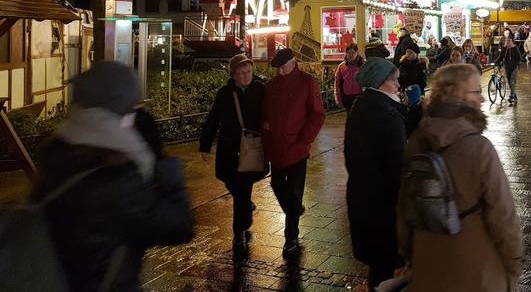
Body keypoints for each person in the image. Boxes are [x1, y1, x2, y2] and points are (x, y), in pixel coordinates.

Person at [32, 62, 194, 292]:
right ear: (120, 110)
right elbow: (178, 226)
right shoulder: (117, 181)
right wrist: (162, 160)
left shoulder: (57, 153)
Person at [397, 64, 524, 291]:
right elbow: (503, 215)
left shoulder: (417, 139)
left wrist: (409, 253)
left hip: (427, 260)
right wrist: (513, 263)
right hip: (476, 268)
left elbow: (404, 206)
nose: (482, 99)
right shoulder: (479, 148)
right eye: (476, 91)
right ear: (457, 95)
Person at [344, 57, 407, 289]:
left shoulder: (361, 106)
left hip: (363, 200)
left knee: (378, 266)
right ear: (380, 83)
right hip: (383, 207)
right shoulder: (387, 115)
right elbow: (397, 166)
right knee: (384, 267)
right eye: (394, 81)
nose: (398, 86)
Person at [200, 54, 267, 259]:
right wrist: (205, 145)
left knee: (242, 189)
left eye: (248, 72)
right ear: (233, 75)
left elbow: (271, 113)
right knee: (232, 184)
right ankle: (246, 208)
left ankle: (238, 232)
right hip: (229, 150)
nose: (246, 76)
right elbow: (213, 119)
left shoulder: (261, 90)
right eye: (241, 73)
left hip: (251, 149)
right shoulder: (225, 94)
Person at [263, 48, 325, 256]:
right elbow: (264, 112)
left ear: (293, 62)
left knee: (295, 190)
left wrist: (305, 138)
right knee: (278, 185)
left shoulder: (307, 82)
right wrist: (265, 125)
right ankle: (296, 210)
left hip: (297, 148)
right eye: (278, 69)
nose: (280, 72)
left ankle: (291, 237)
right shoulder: (271, 86)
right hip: (277, 147)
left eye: (283, 67)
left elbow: (317, 114)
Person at [335, 43, 364, 112]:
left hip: (360, 97)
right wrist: (338, 99)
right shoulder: (341, 67)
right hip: (347, 97)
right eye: (348, 53)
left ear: (357, 53)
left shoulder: (363, 65)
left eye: (352, 52)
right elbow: (337, 84)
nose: (350, 55)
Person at [497, 36, 522, 105]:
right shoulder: (504, 49)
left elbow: (519, 58)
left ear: (512, 41)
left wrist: (515, 64)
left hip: (514, 68)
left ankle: (511, 97)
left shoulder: (515, 49)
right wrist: (496, 62)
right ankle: (514, 95)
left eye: (509, 41)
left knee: (512, 82)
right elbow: (500, 57)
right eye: (507, 41)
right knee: (510, 83)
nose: (508, 42)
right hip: (507, 68)